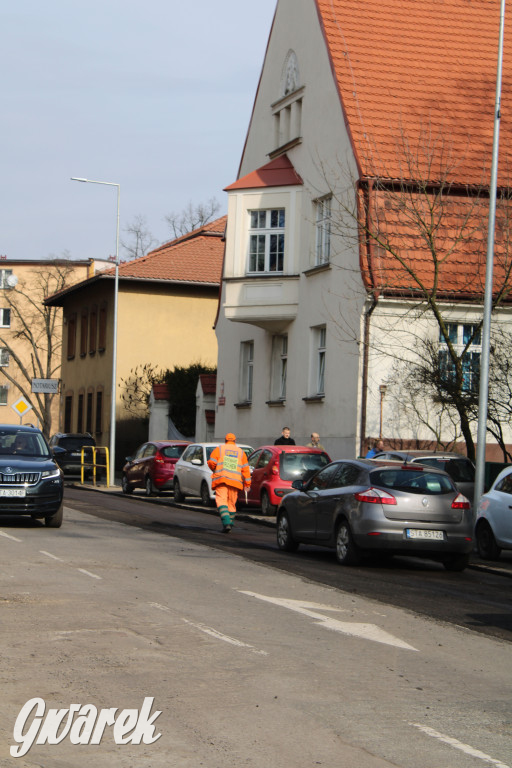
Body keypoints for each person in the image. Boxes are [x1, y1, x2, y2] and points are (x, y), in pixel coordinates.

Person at [207, 433, 251, 533]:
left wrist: (214, 468)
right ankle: (230, 523)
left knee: (222, 501)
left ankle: (226, 522)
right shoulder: (240, 452)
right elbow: (246, 469)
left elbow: (211, 463)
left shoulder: (220, 449)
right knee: (231, 503)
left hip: (222, 480)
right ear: (234, 441)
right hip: (235, 482)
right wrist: (247, 484)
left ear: (225, 440)